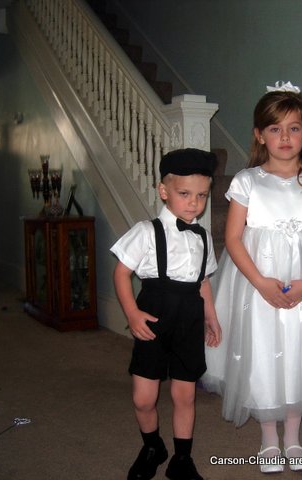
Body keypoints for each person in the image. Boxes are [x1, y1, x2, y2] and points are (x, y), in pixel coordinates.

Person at [200, 81, 302, 473]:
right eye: (274, 129)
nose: (285, 137)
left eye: (293, 128)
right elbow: (233, 238)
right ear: (260, 135)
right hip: (258, 281)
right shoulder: (246, 181)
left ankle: (293, 438)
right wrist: (258, 281)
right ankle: (268, 439)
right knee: (263, 352)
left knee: (299, 352)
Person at [111, 148, 222, 480]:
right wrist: (132, 313)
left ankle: (181, 460)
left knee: (184, 394)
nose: (194, 203)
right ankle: (152, 446)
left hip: (189, 318)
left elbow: (202, 280)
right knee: (144, 398)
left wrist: (211, 316)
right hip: (153, 319)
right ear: (164, 191)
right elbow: (121, 273)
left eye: (201, 195)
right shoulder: (146, 231)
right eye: (185, 194)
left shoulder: (203, 236)